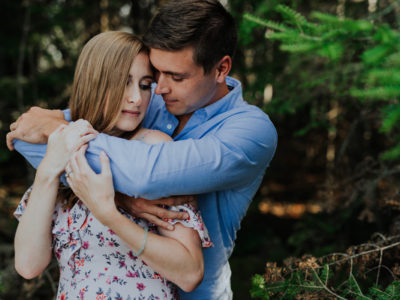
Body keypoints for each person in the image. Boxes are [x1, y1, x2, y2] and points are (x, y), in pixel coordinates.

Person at [8, 0, 278, 299]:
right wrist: (56, 132)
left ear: (221, 68)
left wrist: (111, 194)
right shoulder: (147, 100)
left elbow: (146, 175)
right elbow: (28, 138)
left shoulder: (250, 132)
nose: (159, 88)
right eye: (156, 74)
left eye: (176, 76)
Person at [13, 31, 212, 300]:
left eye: (144, 85)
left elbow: (190, 273)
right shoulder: (62, 146)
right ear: (94, 83)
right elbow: (27, 265)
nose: (136, 98)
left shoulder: (154, 149)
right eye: (124, 83)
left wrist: (109, 214)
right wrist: (50, 169)